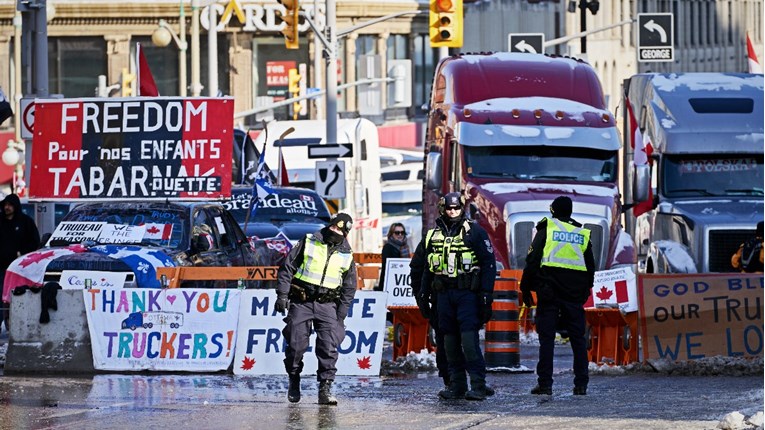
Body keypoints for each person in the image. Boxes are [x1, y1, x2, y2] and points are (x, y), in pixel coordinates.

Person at [274, 212, 357, 406]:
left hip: (328, 305)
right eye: (333, 227)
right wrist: (282, 295)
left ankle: (325, 389)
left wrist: (341, 315)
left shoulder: (347, 254)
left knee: (328, 346)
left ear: (345, 233)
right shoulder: (310, 241)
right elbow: (287, 268)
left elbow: (349, 287)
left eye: (339, 229)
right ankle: (294, 378)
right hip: (301, 302)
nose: (334, 231)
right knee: (295, 344)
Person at [420, 192, 496, 401]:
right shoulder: (433, 235)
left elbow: (489, 265)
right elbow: (427, 267)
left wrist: (486, 295)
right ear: (442, 208)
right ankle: (457, 385)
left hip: (467, 294)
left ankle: (479, 385)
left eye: (456, 208)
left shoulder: (475, 232)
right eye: (449, 208)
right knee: (449, 341)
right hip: (443, 294)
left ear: (462, 208)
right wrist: (423, 294)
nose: (452, 212)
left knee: (469, 340)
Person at [520, 196, 595, 396]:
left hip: (549, 293)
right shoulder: (581, 233)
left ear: (553, 211)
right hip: (573, 295)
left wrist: (525, 288)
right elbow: (590, 266)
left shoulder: (547, 229)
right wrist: (586, 289)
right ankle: (581, 384)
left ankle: (545, 384)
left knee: (547, 340)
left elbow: (532, 260)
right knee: (578, 340)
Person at [1, 194, 40, 333]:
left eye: (10, 205)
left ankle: (16, 325)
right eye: (5, 204)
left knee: (16, 295)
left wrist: (22, 253)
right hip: (1, 267)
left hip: (19, 268)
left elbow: (35, 240)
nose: (7, 208)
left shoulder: (25, 222)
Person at [376, 223, 411, 291]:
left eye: (402, 232)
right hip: (390, 283)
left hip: (403, 284)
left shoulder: (405, 247)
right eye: (397, 233)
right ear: (391, 234)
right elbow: (387, 268)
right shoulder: (388, 247)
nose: (400, 235)